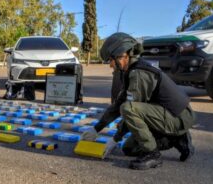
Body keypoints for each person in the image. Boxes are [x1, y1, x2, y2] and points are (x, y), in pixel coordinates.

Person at [81, 32, 196, 170]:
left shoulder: (139, 74)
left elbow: (130, 109)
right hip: (164, 115)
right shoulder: (131, 71)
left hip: (178, 117)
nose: (110, 65)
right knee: (129, 149)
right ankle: (176, 138)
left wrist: (114, 139)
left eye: (110, 60)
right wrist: (96, 128)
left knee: (128, 109)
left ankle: (153, 154)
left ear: (122, 55)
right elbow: (118, 104)